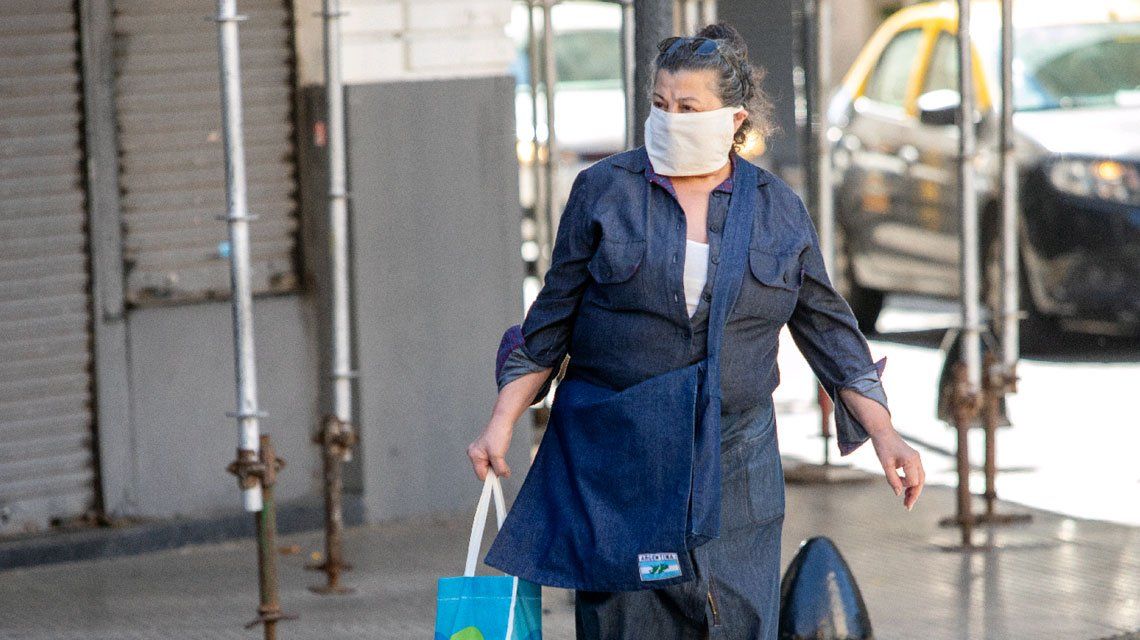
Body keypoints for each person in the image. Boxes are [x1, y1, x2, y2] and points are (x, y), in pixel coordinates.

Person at [468, 21, 925, 640]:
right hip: (620, 459)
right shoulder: (603, 192)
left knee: (734, 619)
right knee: (627, 626)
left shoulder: (777, 209)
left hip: (736, 458)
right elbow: (547, 328)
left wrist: (886, 435)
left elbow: (830, 333)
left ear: (734, 119)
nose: (669, 119)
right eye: (660, 104)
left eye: (688, 108)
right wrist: (501, 423)